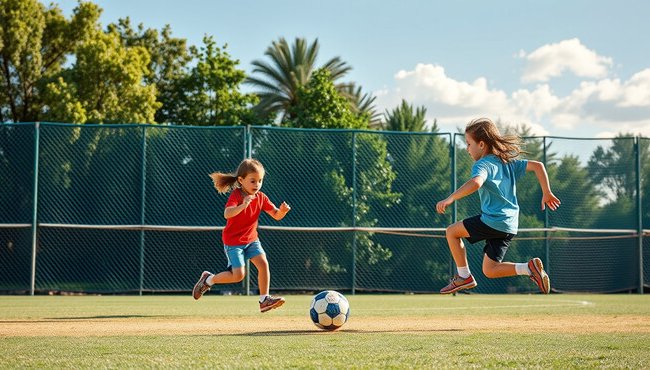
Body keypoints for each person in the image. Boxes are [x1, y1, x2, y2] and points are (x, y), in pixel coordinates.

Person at [436, 118, 561, 294]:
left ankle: (463, 276)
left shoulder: (482, 164)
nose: (467, 149)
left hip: (493, 221)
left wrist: (450, 199)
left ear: (481, 144)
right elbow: (538, 166)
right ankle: (529, 268)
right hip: (509, 225)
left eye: (469, 144)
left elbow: (476, 183)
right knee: (490, 269)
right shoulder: (507, 163)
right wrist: (546, 192)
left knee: (452, 232)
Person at [192, 158, 291, 312]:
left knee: (263, 264)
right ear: (241, 180)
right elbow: (227, 214)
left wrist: (282, 211)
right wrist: (243, 205)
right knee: (238, 275)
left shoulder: (261, 197)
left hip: (252, 240)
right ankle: (208, 279)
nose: (257, 184)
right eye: (252, 181)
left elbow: (276, 215)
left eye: (260, 181)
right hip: (233, 242)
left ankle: (264, 300)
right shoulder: (237, 195)